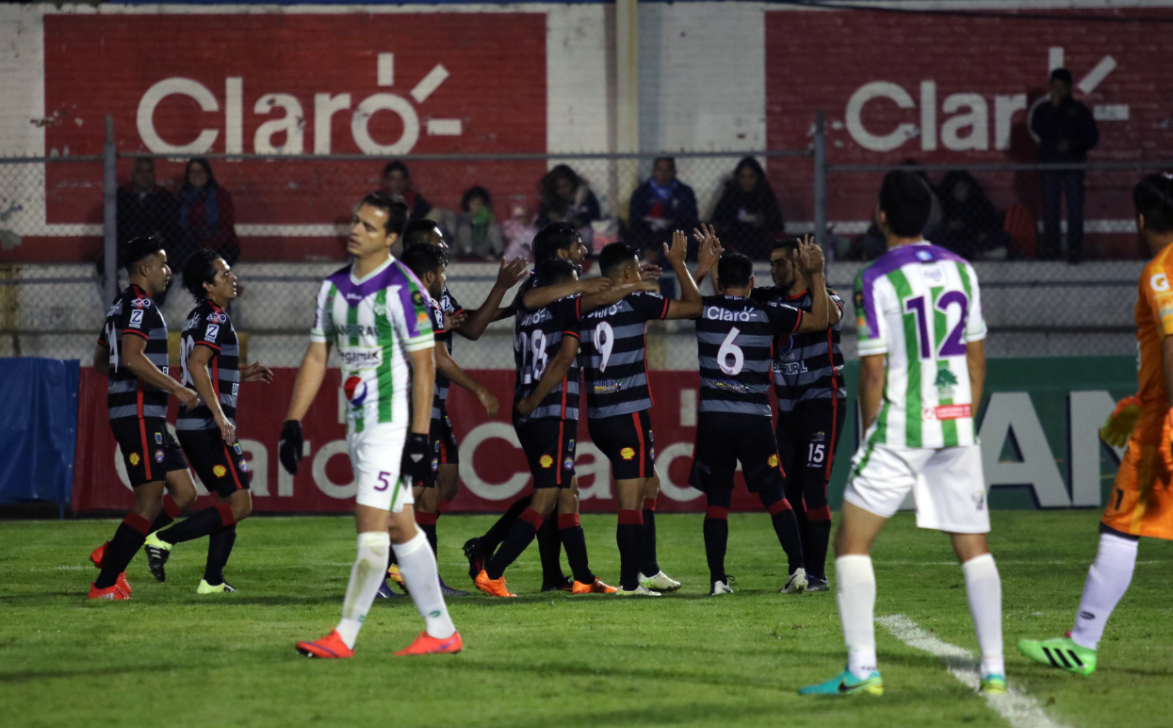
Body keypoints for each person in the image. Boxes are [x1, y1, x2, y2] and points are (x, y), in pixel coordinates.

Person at [800, 170, 1002, 697]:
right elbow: (977, 361)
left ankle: (863, 670)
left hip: (900, 425)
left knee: (851, 542)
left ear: (882, 215)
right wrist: (963, 420)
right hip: (956, 421)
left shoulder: (876, 277)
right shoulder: (963, 271)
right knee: (973, 547)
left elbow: (872, 371)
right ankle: (995, 669)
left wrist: (868, 437)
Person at [279, 191, 460, 658]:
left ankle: (344, 635)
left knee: (371, 525)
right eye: (356, 221)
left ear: (392, 238)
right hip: (358, 424)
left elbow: (425, 367)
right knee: (403, 529)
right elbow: (319, 353)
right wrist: (292, 421)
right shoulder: (333, 288)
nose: (355, 230)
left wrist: (420, 436)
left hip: (391, 427)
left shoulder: (404, 290)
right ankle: (441, 631)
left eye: (369, 226)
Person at [1018, 173, 1173, 677]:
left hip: (1163, 430)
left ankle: (1082, 642)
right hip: (1154, 411)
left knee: (1120, 528)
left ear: (1142, 219)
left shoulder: (1160, 273)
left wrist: (1159, 406)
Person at [521, 236, 708, 595]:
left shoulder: (583, 305)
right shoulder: (637, 302)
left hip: (599, 415)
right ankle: (630, 582)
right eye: (636, 269)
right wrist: (682, 265)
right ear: (626, 272)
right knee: (631, 498)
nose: (640, 274)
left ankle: (648, 569)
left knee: (650, 482)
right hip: (630, 413)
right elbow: (694, 307)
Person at [376, 220, 526, 599]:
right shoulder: (409, 293)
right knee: (411, 493)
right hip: (408, 406)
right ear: (423, 253)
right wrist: (479, 388)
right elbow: (439, 356)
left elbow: (469, 325)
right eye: (439, 246)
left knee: (441, 485)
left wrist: (510, 305)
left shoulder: (425, 293)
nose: (446, 249)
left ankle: (410, 571)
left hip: (427, 405)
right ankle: (395, 574)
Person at [472, 259, 639, 598]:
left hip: (533, 412)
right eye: (577, 280)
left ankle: (583, 577)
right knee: (546, 497)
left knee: (568, 494)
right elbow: (565, 357)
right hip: (553, 411)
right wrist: (632, 285)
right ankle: (493, 571)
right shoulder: (565, 306)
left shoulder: (529, 310)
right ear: (564, 284)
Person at [689, 242, 827, 596]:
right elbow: (821, 319)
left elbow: (683, 302)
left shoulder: (703, 308)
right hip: (754, 418)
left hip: (714, 418)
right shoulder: (767, 311)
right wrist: (816, 274)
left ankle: (718, 580)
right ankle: (798, 569)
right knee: (774, 495)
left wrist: (700, 270)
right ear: (751, 282)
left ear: (720, 284)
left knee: (717, 498)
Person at [141, 250, 273, 593]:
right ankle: (163, 539)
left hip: (195, 424)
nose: (232, 278)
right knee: (241, 504)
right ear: (207, 285)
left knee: (230, 503)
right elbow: (198, 366)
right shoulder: (215, 319)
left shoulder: (199, 316)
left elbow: (201, 367)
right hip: (207, 425)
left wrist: (241, 373)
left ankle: (212, 580)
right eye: (223, 274)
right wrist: (219, 415)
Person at [87, 236, 201, 600]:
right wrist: (176, 388)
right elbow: (133, 358)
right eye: (164, 265)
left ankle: (113, 551)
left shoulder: (121, 305)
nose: (168, 272)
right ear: (145, 268)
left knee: (184, 492)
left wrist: (129, 381)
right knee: (149, 502)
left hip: (144, 412)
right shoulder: (140, 306)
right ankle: (104, 584)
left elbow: (102, 361)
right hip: (138, 414)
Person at [749, 236, 846, 592]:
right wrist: (709, 265)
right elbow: (730, 295)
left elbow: (828, 318)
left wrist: (817, 274)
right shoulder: (770, 300)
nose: (772, 270)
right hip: (787, 412)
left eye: (779, 263)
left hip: (824, 404)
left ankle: (817, 574)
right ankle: (801, 569)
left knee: (814, 488)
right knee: (785, 487)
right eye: (771, 263)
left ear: (799, 263)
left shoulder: (826, 296)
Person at [1030, 68, 1099, 263]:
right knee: (1050, 208)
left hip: (1073, 166)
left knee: (1074, 208)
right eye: (1055, 86)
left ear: (1069, 88)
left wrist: (1072, 145)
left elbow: (1092, 137)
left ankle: (1075, 250)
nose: (1058, 91)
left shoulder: (1078, 110)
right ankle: (1052, 250)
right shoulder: (1043, 110)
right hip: (1050, 165)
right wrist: (1054, 109)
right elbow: (1039, 128)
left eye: (1062, 87)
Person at [710, 157, 784, 260]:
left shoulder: (764, 195)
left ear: (758, 177)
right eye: (743, 177)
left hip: (759, 241)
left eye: (751, 177)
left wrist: (762, 220)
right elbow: (718, 219)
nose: (746, 181)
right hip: (734, 240)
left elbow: (777, 222)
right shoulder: (731, 195)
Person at [627, 157, 699, 260]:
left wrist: (664, 251)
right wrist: (645, 249)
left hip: (673, 239)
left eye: (668, 170)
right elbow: (635, 223)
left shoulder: (685, 193)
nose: (664, 175)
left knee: (693, 235)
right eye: (660, 170)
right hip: (648, 238)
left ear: (674, 172)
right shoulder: (641, 193)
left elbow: (690, 222)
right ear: (653, 171)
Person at [177, 158, 240, 269]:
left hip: (219, 244)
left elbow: (225, 227)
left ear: (208, 173)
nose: (197, 175)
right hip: (192, 243)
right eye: (193, 171)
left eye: (201, 171)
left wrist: (207, 244)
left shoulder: (221, 195)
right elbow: (179, 227)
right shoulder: (182, 196)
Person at [937, 171, 1011, 260]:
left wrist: (983, 233)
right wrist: (949, 226)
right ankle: (973, 253)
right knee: (938, 238)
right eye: (958, 188)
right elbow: (940, 227)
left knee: (1004, 237)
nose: (962, 191)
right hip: (956, 240)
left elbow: (991, 222)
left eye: (964, 187)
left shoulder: (979, 203)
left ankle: (974, 253)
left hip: (977, 241)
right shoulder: (945, 205)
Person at [116, 157, 179, 250]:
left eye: (149, 171)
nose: (144, 176)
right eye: (140, 171)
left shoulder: (165, 197)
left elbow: (170, 228)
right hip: (127, 247)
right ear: (132, 173)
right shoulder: (121, 195)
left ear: (154, 174)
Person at [537, 164, 601, 231]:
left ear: (573, 183)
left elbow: (595, 216)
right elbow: (541, 223)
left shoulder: (586, 196)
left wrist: (581, 221)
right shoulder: (551, 200)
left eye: (565, 186)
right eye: (558, 188)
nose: (562, 191)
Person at [455, 186, 505, 260]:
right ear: (468, 204)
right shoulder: (464, 217)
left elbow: (493, 228)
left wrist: (486, 218)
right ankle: (469, 254)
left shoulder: (487, 216)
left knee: (492, 228)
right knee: (464, 229)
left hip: (482, 245)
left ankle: (500, 253)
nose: (476, 206)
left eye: (479, 204)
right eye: (473, 203)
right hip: (469, 247)